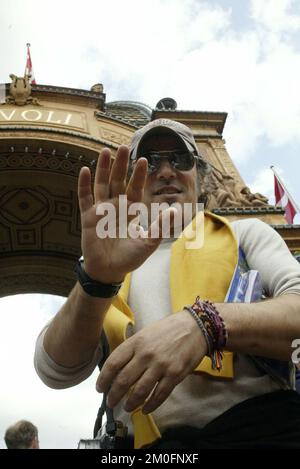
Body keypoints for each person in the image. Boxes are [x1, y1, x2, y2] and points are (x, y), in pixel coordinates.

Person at [34, 118, 300, 449]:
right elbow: (56, 370)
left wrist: (206, 323)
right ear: (131, 181)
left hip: (261, 434)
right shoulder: (108, 258)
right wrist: (97, 281)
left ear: (201, 178)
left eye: (180, 159)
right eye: (150, 162)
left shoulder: (245, 234)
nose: (165, 171)